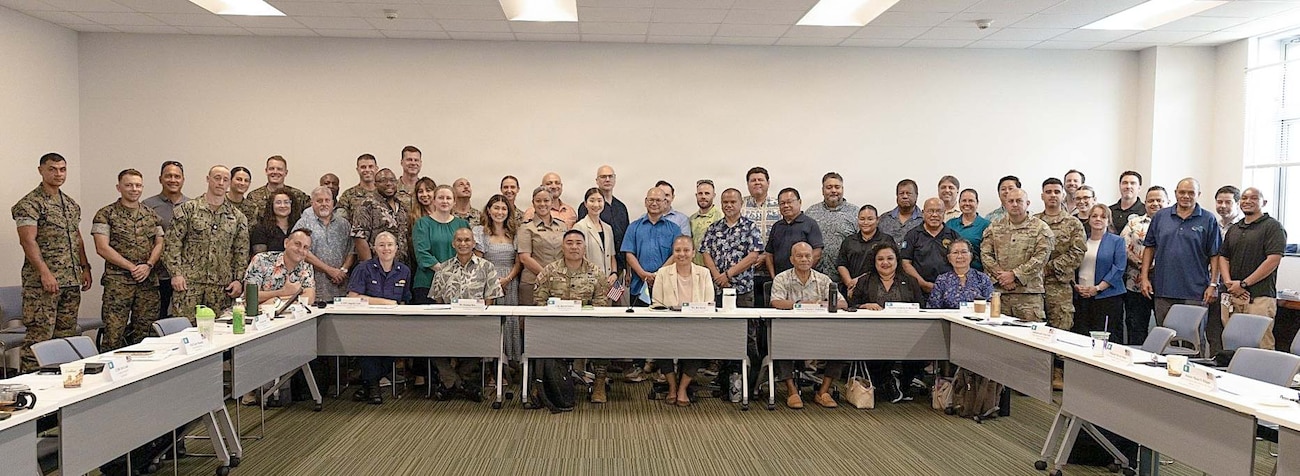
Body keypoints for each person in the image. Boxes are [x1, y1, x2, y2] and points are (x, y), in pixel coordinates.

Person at [12, 153, 93, 371]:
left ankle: (61, 382)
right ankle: (29, 384)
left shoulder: (70, 204)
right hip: (42, 284)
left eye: (62, 169)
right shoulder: (29, 204)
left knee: (65, 338)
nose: (58, 174)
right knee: (39, 338)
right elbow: (27, 241)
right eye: (53, 169)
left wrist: (85, 267)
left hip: (70, 280)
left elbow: (77, 238)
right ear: (41, 170)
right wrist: (45, 273)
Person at [163, 165, 250, 320]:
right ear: (208, 179)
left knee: (218, 334)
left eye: (225, 180)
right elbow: (172, 244)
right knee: (184, 332)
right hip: (189, 284)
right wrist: (176, 274)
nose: (221, 183)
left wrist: (238, 280)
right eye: (217, 178)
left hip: (221, 286)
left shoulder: (237, 217)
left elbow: (241, 251)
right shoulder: (188, 209)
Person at [535, 230, 612, 401]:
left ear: (584, 247)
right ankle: (541, 383)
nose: (574, 247)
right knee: (535, 337)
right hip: (555, 326)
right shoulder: (550, 271)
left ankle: (599, 383)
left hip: (587, 327)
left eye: (578, 243)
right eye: (569, 243)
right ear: (562, 247)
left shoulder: (596, 272)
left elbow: (601, 303)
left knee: (605, 337)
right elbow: (539, 300)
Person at [428, 228, 503, 402]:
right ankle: (458, 383)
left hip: (477, 324)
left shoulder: (487, 267)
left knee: (483, 344)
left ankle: (450, 383)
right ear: (453, 243)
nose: (463, 244)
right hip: (448, 324)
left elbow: (490, 299)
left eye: (467, 240)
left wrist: (481, 322)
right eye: (459, 240)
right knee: (429, 344)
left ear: (474, 243)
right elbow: (438, 300)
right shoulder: (443, 268)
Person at [92, 169, 164, 350]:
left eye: (138, 185)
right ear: (119, 187)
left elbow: (160, 243)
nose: (134, 189)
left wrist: (148, 265)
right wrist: (132, 267)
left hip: (147, 283)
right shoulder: (105, 214)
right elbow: (102, 247)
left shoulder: (151, 215)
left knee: (146, 336)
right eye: (129, 185)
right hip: (118, 284)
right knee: (114, 334)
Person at [771, 242, 846, 409]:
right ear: (792, 259)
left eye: (808, 256)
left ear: (813, 259)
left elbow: (842, 303)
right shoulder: (782, 278)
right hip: (791, 331)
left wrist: (820, 304)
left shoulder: (823, 279)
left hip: (820, 332)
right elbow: (776, 302)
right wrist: (800, 304)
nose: (804, 259)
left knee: (841, 346)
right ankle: (792, 391)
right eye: (800, 256)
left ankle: (823, 392)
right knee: (779, 343)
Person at [848, 242, 925, 403]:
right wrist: (864, 305)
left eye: (890, 258)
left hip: (907, 332)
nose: (885, 262)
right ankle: (887, 382)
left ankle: (903, 382)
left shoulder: (910, 281)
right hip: (873, 333)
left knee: (922, 350)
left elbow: (921, 307)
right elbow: (851, 307)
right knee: (878, 350)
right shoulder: (865, 281)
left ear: (897, 260)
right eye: (880, 259)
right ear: (874, 262)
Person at [1140, 178, 1220, 326]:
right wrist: (1144, 278)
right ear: (1175, 193)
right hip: (1164, 289)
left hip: (1196, 292)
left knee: (1192, 339)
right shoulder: (1160, 217)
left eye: (1191, 193)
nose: (1186, 196)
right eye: (1182, 192)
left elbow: (1215, 255)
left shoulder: (1208, 219)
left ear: (1198, 194)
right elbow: (1149, 248)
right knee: (1165, 337)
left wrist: (1213, 284)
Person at [1218, 187, 1287, 350]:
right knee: (1232, 343)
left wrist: (1243, 284)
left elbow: (1273, 260)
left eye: (1254, 198)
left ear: (1264, 202)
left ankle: (1264, 376)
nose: (1248, 201)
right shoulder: (1234, 228)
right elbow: (1223, 257)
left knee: (1261, 344)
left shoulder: (1273, 227)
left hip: (1259, 297)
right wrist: (1228, 283)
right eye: (1244, 198)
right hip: (1232, 295)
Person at [347, 232, 411, 404]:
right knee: (369, 346)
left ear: (396, 248)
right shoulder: (363, 268)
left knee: (393, 349)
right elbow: (352, 297)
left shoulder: (404, 271)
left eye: (390, 244)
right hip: (367, 323)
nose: (386, 248)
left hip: (393, 325)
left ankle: (367, 385)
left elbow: (405, 301)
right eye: (381, 245)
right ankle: (374, 388)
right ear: (374, 248)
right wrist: (385, 303)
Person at [651, 235, 715, 407]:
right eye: (678, 250)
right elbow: (656, 301)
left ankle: (682, 389)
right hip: (668, 325)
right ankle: (672, 387)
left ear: (693, 253)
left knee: (696, 347)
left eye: (686, 250)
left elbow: (709, 302)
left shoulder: (704, 273)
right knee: (661, 345)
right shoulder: (663, 273)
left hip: (695, 325)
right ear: (673, 253)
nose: (682, 254)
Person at [981, 189, 1054, 322]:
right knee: (998, 338)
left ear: (1027, 203)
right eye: (1011, 201)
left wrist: (1014, 275)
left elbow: (1041, 258)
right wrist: (1002, 277)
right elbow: (985, 254)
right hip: (1000, 294)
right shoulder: (994, 227)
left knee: (1030, 338)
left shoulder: (1040, 228)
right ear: (1005, 204)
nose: (1014, 204)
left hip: (1029, 296)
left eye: (1019, 201)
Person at [475, 194, 522, 362]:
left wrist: (508, 279)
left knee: (510, 320)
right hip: (487, 283)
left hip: (509, 282)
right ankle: (491, 366)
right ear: (488, 210)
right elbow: (478, 260)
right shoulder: (480, 232)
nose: (499, 212)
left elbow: (518, 261)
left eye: (504, 209)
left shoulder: (514, 232)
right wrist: (492, 282)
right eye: (496, 208)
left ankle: (509, 362)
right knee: (491, 322)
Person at [1035, 178, 1086, 331]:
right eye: (1048, 192)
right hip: (1033, 287)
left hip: (1060, 287)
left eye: (1057, 192)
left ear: (1063, 195)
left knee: (1060, 332)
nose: (1052, 195)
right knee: (1033, 332)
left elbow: (1077, 253)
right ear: (1042, 196)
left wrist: (1048, 268)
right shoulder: (1033, 222)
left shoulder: (1073, 223)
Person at [1118, 186, 1167, 345]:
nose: (1155, 203)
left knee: (1165, 327)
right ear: (1144, 203)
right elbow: (1122, 247)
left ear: (1167, 202)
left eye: (1159, 200)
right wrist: (1142, 264)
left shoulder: (1172, 224)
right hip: (1136, 284)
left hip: (1165, 286)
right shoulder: (1134, 223)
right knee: (1136, 326)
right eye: (1151, 200)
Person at [701, 188, 764, 307]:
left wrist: (727, 275)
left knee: (743, 325)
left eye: (733, 202)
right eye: (725, 202)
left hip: (742, 290)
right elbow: (705, 253)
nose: (728, 205)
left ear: (741, 203)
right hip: (717, 288)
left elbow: (753, 256)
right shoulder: (713, 228)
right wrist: (718, 277)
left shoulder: (750, 227)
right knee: (718, 325)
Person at [293, 186, 354, 306]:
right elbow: (301, 252)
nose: (324, 204)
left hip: (340, 287)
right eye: (319, 201)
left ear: (333, 202)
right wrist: (329, 270)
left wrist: (342, 270)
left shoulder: (344, 224)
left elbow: (352, 250)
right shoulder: (304, 223)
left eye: (327, 200)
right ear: (312, 203)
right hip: (315, 289)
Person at [143, 160, 188, 321]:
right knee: (156, 319)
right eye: (168, 176)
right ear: (160, 179)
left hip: (184, 274)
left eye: (177, 176)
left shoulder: (191, 206)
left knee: (180, 320)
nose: (173, 180)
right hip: (156, 273)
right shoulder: (148, 205)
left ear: (183, 179)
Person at [412, 182, 470, 304]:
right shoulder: (422, 224)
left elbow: (467, 252)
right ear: (433, 201)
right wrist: (445, 272)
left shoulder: (462, 225)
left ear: (454, 202)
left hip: (456, 284)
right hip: (427, 283)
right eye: (440, 198)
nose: (445, 201)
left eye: (448, 198)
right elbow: (422, 252)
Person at [623, 187, 683, 306]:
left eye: (658, 200)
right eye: (651, 200)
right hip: (638, 286)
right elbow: (629, 254)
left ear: (665, 203)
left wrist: (658, 275)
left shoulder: (674, 229)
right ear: (645, 202)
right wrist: (643, 274)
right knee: (638, 323)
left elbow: (676, 255)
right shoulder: (634, 227)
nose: (654, 203)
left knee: (665, 324)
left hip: (666, 287)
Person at [1073, 204, 1126, 334]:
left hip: (1107, 297)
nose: (1098, 219)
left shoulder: (1117, 241)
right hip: (1081, 296)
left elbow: (1119, 268)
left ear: (1108, 221)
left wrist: (1097, 288)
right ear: (1089, 219)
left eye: (1103, 217)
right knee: (1081, 335)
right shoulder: (1081, 240)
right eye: (1094, 216)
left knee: (1105, 337)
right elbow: (1071, 265)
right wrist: (1075, 286)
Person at [1206, 185, 1244, 353]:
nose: (1222, 206)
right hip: (1214, 286)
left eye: (1228, 202)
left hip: (1235, 287)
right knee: (1213, 332)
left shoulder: (1244, 227)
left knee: (1235, 334)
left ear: (1237, 204)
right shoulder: (1213, 224)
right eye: (1219, 202)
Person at [516, 187, 567, 306]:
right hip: (533, 283)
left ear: (552, 202)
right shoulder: (526, 227)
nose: (542, 204)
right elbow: (524, 258)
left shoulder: (562, 226)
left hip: (560, 283)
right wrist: (548, 276)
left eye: (546, 200)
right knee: (531, 323)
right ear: (533, 203)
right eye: (538, 201)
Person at [805, 172, 858, 285]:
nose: (833, 190)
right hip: (814, 278)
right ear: (822, 190)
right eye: (829, 187)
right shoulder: (811, 212)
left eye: (837, 187)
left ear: (842, 189)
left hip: (846, 278)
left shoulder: (855, 213)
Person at [900, 197, 959, 297]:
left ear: (944, 213)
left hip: (948, 291)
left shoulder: (954, 236)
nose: (934, 215)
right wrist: (924, 284)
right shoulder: (912, 235)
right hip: (918, 291)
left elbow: (961, 263)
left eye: (939, 211)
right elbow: (906, 264)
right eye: (930, 211)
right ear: (923, 213)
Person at [350, 168, 411, 263]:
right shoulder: (367, 205)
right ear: (375, 184)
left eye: (392, 180)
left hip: (402, 268)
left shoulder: (403, 207)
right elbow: (359, 238)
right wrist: (370, 268)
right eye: (383, 181)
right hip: (377, 267)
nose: (388, 183)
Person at [245, 228, 316, 305]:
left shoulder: (306, 267)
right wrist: (283, 292)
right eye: (297, 244)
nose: (301, 250)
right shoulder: (261, 260)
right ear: (286, 243)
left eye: (305, 247)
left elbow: (309, 298)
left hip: (291, 315)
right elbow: (250, 296)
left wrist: (275, 301)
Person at [742, 166, 780, 308]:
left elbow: (783, 236)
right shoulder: (740, 205)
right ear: (748, 184)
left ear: (768, 183)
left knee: (767, 312)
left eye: (760, 179)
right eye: (753, 180)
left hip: (771, 269)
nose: (757, 183)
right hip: (744, 271)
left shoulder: (779, 206)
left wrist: (765, 256)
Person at [579, 165, 630, 271]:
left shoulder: (621, 207)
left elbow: (627, 238)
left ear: (615, 179)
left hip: (617, 267)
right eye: (603, 176)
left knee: (616, 288)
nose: (607, 179)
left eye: (610, 176)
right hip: (593, 269)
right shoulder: (587, 208)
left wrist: (627, 269)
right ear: (597, 180)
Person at [765, 188, 824, 278]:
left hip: (804, 279)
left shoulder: (810, 224)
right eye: (782, 203)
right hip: (780, 281)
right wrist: (774, 277)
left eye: (789, 202)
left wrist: (801, 274)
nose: (786, 206)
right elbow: (769, 254)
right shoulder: (776, 226)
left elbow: (817, 253)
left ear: (799, 202)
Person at [926, 239, 993, 309]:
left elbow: (990, 306)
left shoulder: (982, 278)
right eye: (955, 253)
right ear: (949, 258)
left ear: (971, 256)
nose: (960, 256)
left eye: (964, 252)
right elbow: (933, 308)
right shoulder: (942, 280)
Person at [244, 155, 309, 225]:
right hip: (262, 234)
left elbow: (314, 211)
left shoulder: (297, 195)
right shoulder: (254, 196)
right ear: (266, 171)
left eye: (279, 169)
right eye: (271, 168)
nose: (275, 172)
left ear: (286, 172)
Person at [572, 187, 617, 282]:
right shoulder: (579, 227)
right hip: (588, 281)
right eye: (592, 201)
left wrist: (614, 273)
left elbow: (612, 255)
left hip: (609, 280)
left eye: (599, 201)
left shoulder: (608, 228)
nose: (596, 205)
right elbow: (576, 258)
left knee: (615, 297)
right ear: (585, 204)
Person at [945, 189, 989, 271]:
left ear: (977, 203)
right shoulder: (950, 224)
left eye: (971, 200)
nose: (967, 204)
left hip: (977, 273)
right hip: (952, 273)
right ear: (959, 203)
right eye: (964, 201)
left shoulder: (986, 225)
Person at [689, 179, 723, 266]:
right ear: (696, 195)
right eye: (700, 193)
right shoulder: (691, 219)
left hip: (715, 270)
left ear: (714, 195)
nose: (703, 196)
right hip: (695, 269)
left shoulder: (721, 217)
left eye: (707, 193)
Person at [337, 154, 380, 221]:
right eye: (363, 167)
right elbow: (341, 222)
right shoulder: (348, 195)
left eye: (371, 166)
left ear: (376, 169)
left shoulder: (384, 193)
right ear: (357, 169)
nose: (367, 170)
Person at [878, 179, 921, 244]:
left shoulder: (924, 221)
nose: (905, 196)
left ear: (916, 195)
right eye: (901, 193)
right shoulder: (883, 219)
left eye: (908, 193)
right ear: (897, 196)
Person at [396, 145, 423, 211]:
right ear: (401, 162)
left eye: (416, 160)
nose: (413, 163)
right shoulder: (392, 188)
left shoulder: (427, 190)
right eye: (409, 160)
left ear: (420, 163)